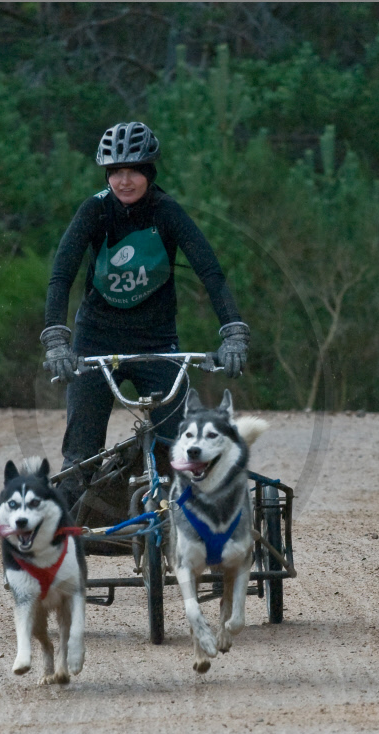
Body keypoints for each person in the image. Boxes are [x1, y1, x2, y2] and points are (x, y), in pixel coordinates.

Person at [41, 121, 250, 510]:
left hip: (157, 342)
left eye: (134, 170)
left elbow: (210, 271)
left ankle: (195, 526)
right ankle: (63, 543)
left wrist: (233, 332)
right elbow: (61, 273)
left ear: (149, 172)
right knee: (80, 456)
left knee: (181, 449)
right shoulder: (95, 210)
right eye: (116, 171)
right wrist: (56, 339)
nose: (124, 180)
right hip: (95, 340)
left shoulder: (166, 211)